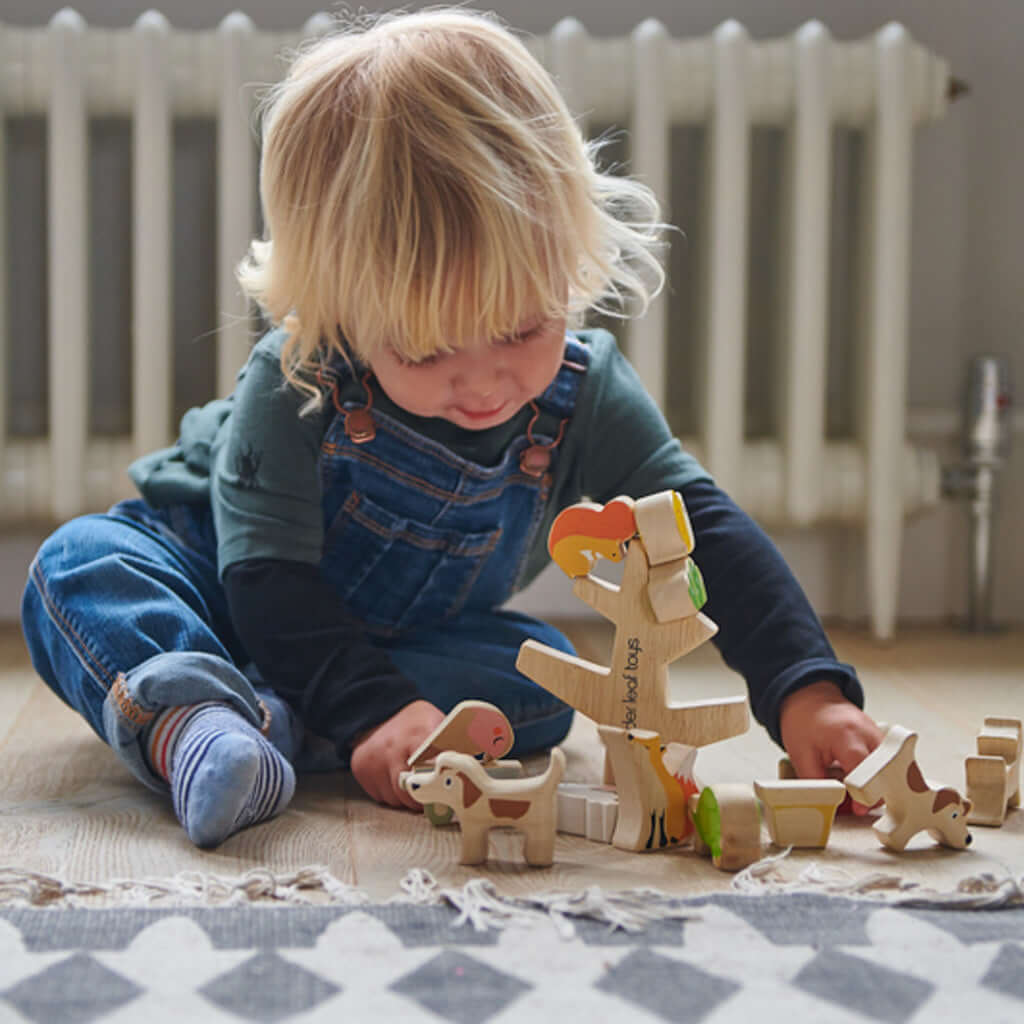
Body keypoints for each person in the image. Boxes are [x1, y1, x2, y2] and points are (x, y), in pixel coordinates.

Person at [21, 7, 882, 849]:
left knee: (543, 680)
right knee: (78, 568)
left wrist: (807, 691)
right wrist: (375, 710)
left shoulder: (585, 395)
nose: (483, 381)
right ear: (343, 306)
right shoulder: (300, 378)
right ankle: (195, 724)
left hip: (393, 644)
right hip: (222, 582)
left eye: (521, 329)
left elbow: (702, 536)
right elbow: (267, 582)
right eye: (426, 347)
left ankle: (273, 723)